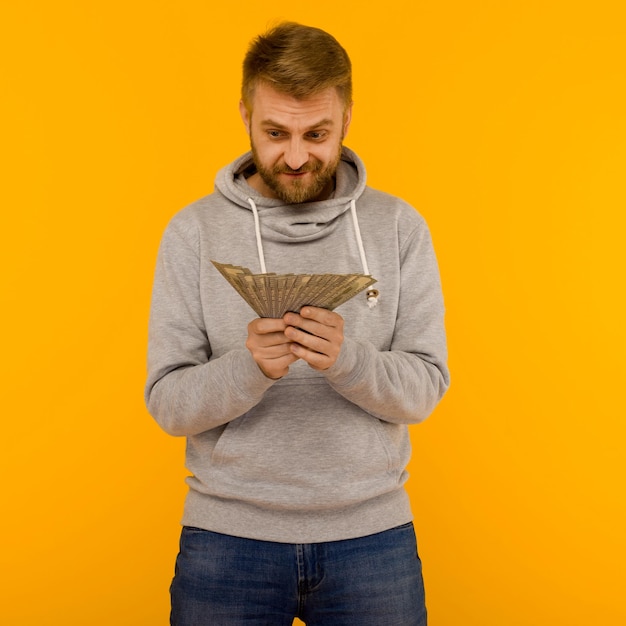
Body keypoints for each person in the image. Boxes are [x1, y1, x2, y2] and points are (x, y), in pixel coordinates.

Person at [145, 21, 449, 626]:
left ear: (348, 117)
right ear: (244, 114)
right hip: (226, 541)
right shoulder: (193, 231)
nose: (295, 156)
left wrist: (349, 361)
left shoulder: (398, 227)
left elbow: (424, 390)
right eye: (275, 132)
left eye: (318, 133)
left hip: (373, 538)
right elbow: (168, 404)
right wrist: (247, 369)